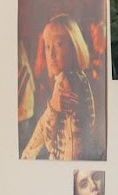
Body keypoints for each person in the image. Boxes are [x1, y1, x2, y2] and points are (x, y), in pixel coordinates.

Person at [22, 14, 96, 160]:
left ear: (74, 47)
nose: (51, 54)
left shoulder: (65, 80)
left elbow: (50, 143)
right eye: (47, 46)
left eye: (58, 45)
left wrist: (53, 109)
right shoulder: (79, 77)